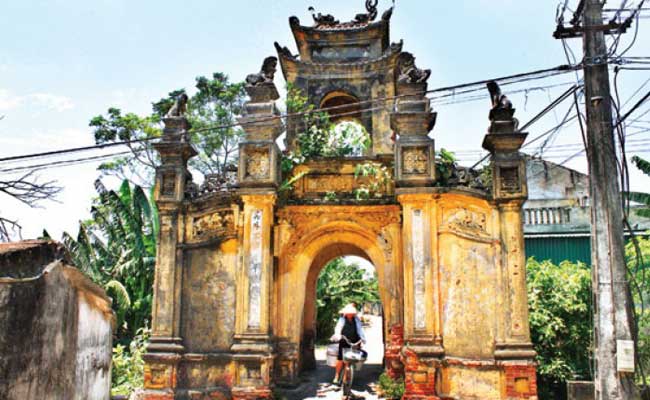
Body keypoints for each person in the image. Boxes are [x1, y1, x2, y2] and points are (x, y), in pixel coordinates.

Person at [330, 303, 368, 385]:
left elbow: (360, 330)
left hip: (355, 341)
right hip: (344, 340)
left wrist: (362, 339)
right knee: (340, 359)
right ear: (346, 313)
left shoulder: (356, 320)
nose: (350, 314)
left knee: (351, 359)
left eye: (352, 313)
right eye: (349, 313)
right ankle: (336, 376)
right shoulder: (342, 320)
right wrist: (338, 335)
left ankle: (346, 378)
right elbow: (338, 328)